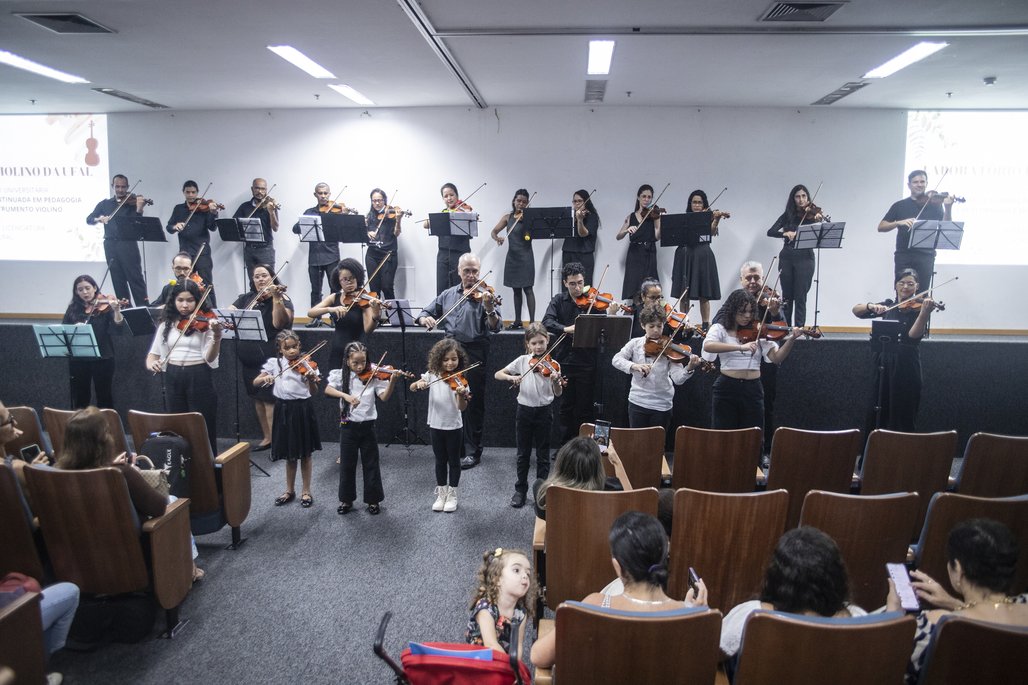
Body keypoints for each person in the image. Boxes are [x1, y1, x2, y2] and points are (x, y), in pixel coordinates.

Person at [530, 511, 709, 669]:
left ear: (618, 567)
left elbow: (538, 657)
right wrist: (698, 616)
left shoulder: (593, 606)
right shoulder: (690, 616)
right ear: (665, 556)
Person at [55, 406, 204, 582]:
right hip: (130, 553)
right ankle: (189, 567)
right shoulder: (121, 473)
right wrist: (131, 472)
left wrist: (110, 465)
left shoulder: (55, 475)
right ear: (103, 440)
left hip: (80, 557)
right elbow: (158, 507)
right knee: (173, 501)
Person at [887, 519, 1028, 685]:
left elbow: (886, 673)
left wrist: (893, 616)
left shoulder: (933, 626)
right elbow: (992, 621)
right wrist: (954, 603)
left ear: (959, 570)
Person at [720, 527, 865, 664]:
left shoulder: (751, 616)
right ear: (836, 577)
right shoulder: (860, 620)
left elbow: (715, 653)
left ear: (776, 575)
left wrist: (703, 621)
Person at [417, 253, 501, 470]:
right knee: (449, 399)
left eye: (475, 271)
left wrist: (490, 309)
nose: (471, 275)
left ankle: (473, 451)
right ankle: (456, 447)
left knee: (472, 402)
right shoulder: (447, 294)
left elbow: (495, 326)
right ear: (459, 271)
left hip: (474, 351)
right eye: (467, 271)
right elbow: (425, 312)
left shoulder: (486, 295)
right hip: (449, 352)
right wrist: (423, 318)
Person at [702, 289, 802, 438]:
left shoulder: (758, 329)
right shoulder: (720, 328)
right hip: (727, 387)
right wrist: (740, 347)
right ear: (732, 310)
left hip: (753, 388)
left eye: (750, 312)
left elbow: (777, 358)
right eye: (742, 312)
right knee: (723, 436)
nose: (747, 316)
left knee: (753, 438)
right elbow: (708, 345)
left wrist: (792, 339)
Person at [543, 261, 621, 445]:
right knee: (566, 406)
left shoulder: (594, 301)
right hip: (565, 360)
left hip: (588, 361)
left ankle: (584, 446)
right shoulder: (558, 301)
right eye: (572, 284)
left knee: (585, 407)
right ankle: (564, 445)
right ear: (565, 283)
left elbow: (606, 328)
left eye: (580, 282)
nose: (577, 288)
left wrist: (610, 314)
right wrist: (566, 328)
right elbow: (547, 321)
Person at [852, 268, 937, 432]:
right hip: (883, 363)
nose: (905, 287)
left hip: (905, 364)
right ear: (896, 285)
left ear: (917, 286)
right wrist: (871, 306)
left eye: (910, 284)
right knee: (878, 410)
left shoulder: (918, 309)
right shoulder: (888, 305)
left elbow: (912, 337)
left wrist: (925, 313)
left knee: (902, 412)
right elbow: (856, 310)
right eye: (902, 283)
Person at [145, 279, 222, 455]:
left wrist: (217, 336)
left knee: (203, 426)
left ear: (197, 301)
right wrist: (153, 364)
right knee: (176, 426)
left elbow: (210, 357)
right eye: (180, 300)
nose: (185, 305)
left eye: (190, 300)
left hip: (199, 374)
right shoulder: (167, 323)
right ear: (174, 301)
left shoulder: (207, 322)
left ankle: (209, 472)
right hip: (172, 376)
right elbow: (152, 355)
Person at [325, 341, 399, 515]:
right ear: (347, 361)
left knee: (371, 463)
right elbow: (328, 390)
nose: (360, 366)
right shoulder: (341, 375)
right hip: (347, 426)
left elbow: (384, 397)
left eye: (363, 362)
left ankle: (373, 500)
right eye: (355, 363)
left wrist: (392, 382)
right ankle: (346, 500)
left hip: (367, 427)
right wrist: (346, 396)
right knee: (347, 465)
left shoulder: (373, 376)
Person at [495, 324, 564, 508]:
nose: (538, 346)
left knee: (543, 454)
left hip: (544, 412)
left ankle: (541, 491)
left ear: (547, 341)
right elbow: (498, 374)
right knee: (522, 454)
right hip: (524, 411)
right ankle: (521, 490)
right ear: (528, 344)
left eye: (542, 342)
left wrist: (557, 382)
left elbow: (557, 393)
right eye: (534, 343)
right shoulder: (522, 361)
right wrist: (511, 378)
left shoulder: (554, 365)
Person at [253, 331, 322, 508]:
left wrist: (310, 379)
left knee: (305, 453)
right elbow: (255, 382)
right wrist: (265, 378)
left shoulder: (307, 364)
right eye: (287, 348)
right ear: (280, 349)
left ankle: (306, 491)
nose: (292, 351)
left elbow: (314, 392)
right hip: (283, 409)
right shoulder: (274, 363)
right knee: (290, 454)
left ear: (299, 346)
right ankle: (289, 490)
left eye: (295, 347)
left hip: (302, 408)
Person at [230, 264, 294, 451]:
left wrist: (275, 298)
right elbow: (229, 311)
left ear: (272, 278)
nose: (260, 279)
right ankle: (267, 437)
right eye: (256, 276)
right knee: (256, 398)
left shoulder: (282, 298)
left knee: (269, 399)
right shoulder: (248, 298)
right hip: (248, 360)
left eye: (264, 275)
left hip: (269, 357)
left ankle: (276, 440)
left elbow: (279, 322)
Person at [612, 303, 701, 429]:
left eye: (659, 326)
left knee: (656, 445)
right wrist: (634, 366)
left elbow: (678, 379)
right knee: (637, 442)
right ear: (643, 326)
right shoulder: (635, 343)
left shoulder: (670, 347)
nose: (655, 330)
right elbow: (616, 359)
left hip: (662, 404)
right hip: (637, 401)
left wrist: (689, 368)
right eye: (651, 326)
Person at [410, 338, 470, 513]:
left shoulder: (461, 380)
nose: (450, 363)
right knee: (440, 461)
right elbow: (413, 387)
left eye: (454, 359)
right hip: (436, 425)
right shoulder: (432, 374)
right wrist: (419, 383)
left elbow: (462, 407)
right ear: (438, 360)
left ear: (459, 359)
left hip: (454, 426)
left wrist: (461, 394)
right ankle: (441, 492)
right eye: (445, 360)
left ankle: (452, 494)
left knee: (454, 461)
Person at [878, 169, 956, 284]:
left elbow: (946, 225)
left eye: (922, 182)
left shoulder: (935, 205)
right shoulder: (900, 205)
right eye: (915, 182)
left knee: (922, 293)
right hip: (904, 255)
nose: (919, 185)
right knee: (902, 291)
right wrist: (898, 222)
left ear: (927, 184)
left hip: (926, 255)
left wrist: (948, 208)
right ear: (909, 185)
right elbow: (881, 226)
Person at [85, 174, 149, 306]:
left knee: (135, 279)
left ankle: (144, 310)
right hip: (110, 245)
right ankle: (126, 312)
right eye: (117, 186)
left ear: (128, 187)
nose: (120, 190)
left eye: (123, 187)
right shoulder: (105, 204)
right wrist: (99, 219)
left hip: (128, 245)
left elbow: (137, 223)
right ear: (112, 186)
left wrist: (139, 208)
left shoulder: (132, 203)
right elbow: (89, 219)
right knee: (118, 280)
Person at [62, 274, 124, 409]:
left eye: (87, 288)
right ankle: (81, 427)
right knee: (80, 396)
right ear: (76, 292)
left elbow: (118, 326)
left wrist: (117, 310)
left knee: (104, 395)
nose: (85, 292)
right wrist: (75, 328)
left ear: (95, 288)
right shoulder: (73, 308)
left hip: (103, 357)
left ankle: (106, 427)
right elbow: (64, 329)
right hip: (79, 358)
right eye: (80, 289)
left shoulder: (105, 306)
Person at [309, 257, 382, 371]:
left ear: (358, 278)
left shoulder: (364, 299)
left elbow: (368, 329)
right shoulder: (335, 297)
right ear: (338, 281)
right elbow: (311, 313)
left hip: (358, 352)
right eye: (345, 279)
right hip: (338, 350)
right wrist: (330, 309)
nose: (349, 282)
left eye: (352, 278)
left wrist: (376, 314)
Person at [533, 436, 629, 521]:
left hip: (562, 540)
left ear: (562, 461)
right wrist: (617, 462)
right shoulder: (611, 491)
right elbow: (633, 505)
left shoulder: (545, 493)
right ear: (597, 466)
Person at [767, 184, 822, 327]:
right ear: (793, 199)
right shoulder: (787, 215)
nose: (801, 199)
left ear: (808, 198)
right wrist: (785, 233)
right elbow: (770, 231)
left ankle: (799, 329)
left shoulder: (812, 215)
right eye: (798, 196)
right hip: (787, 257)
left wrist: (817, 218)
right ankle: (786, 328)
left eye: (804, 196)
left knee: (800, 296)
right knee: (787, 296)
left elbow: (820, 225)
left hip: (805, 258)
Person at [466, 547, 537, 654]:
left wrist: (516, 667)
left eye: (527, 573)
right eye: (517, 570)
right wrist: (508, 665)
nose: (525, 576)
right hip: (479, 659)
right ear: (496, 578)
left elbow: (517, 645)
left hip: (503, 661)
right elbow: (490, 644)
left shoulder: (520, 613)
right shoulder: (485, 608)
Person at [671, 189, 726, 328]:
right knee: (684, 293)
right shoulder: (684, 219)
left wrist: (717, 219)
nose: (696, 205)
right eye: (694, 202)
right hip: (685, 255)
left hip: (702, 256)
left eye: (699, 203)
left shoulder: (708, 217)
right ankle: (684, 323)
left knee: (704, 292)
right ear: (690, 204)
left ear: (704, 204)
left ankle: (706, 324)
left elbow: (712, 232)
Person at [292, 182, 340, 327]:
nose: (323, 196)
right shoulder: (310, 212)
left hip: (332, 256)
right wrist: (306, 222)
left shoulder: (335, 211)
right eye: (320, 193)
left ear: (330, 194)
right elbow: (295, 229)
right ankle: (316, 318)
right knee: (315, 290)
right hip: (315, 257)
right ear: (315, 195)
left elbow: (345, 227)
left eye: (326, 193)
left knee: (335, 288)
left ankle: (335, 319)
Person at [166, 180, 218, 303]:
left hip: (202, 251)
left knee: (206, 283)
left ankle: (213, 312)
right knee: (185, 284)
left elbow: (213, 227)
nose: (190, 195)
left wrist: (213, 213)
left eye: (193, 192)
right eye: (187, 192)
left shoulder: (204, 208)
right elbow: (169, 227)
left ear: (197, 192)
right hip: (185, 253)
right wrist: (175, 226)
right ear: (183, 192)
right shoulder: (178, 209)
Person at [490, 188, 535, 329]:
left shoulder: (529, 218)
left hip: (526, 257)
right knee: (516, 290)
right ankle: (517, 321)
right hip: (513, 258)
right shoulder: (507, 217)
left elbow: (530, 237)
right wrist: (498, 238)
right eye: (518, 201)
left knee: (528, 289)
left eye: (524, 202)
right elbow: (493, 231)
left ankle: (533, 322)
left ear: (527, 204)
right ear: (514, 201)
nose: (521, 204)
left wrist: (527, 223)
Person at [423, 182, 474, 294]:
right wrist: (435, 220)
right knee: (442, 287)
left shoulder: (464, 211)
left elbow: (471, 220)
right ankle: (442, 311)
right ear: (443, 199)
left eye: (452, 195)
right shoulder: (443, 213)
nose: (449, 198)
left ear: (457, 195)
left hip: (460, 255)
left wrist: (466, 214)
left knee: (459, 287)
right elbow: (425, 225)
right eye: (446, 196)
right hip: (443, 254)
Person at [617, 184, 662, 300]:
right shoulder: (630, 216)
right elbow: (618, 236)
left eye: (649, 197)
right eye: (644, 196)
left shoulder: (654, 215)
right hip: (634, 253)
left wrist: (662, 222)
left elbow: (657, 236)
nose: (646, 200)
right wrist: (627, 230)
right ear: (638, 197)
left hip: (649, 251)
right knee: (634, 285)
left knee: (650, 285)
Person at [232, 177, 279, 285]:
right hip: (249, 249)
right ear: (252, 189)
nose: (260, 192)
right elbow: (234, 224)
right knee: (253, 282)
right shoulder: (245, 207)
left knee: (269, 282)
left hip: (266, 249)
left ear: (266, 190)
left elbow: (275, 228)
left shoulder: (270, 205)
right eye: (257, 188)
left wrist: (271, 212)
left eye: (263, 189)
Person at [366, 187, 403, 303]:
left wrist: (398, 220)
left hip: (388, 254)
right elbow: (364, 235)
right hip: (372, 255)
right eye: (374, 201)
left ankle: (393, 318)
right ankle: (375, 318)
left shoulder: (392, 215)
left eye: (380, 200)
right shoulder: (369, 216)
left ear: (385, 200)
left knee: (386, 287)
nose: (377, 203)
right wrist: (367, 232)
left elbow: (396, 233)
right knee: (374, 289)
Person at [562, 189, 600, 285]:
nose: (577, 203)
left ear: (586, 202)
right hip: (569, 253)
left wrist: (580, 220)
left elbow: (583, 233)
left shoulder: (592, 216)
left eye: (580, 201)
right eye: (575, 201)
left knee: (584, 286)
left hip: (584, 255)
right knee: (568, 286)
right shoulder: (569, 216)